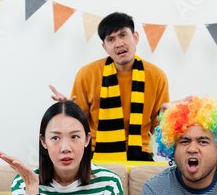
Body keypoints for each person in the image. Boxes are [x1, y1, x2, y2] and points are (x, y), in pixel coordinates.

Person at [50, 12, 170, 162]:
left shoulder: (156, 76)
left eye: (123, 35)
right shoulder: (87, 74)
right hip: (96, 153)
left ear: (136, 37)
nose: (119, 43)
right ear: (104, 46)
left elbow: (157, 131)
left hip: (140, 154)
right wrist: (66, 109)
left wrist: (166, 114)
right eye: (111, 39)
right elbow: (77, 127)